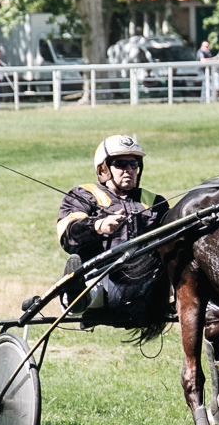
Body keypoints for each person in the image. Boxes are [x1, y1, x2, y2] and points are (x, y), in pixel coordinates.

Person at [56, 134, 171, 317]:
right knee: (92, 283)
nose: (129, 170)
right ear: (104, 169)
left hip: (147, 283)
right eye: (121, 164)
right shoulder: (84, 195)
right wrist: (99, 226)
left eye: (134, 165)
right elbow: (67, 234)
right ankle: (76, 297)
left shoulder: (155, 202)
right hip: (103, 279)